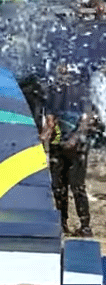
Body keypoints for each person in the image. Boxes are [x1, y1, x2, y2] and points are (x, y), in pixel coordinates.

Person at [43, 64, 94, 236]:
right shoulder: (54, 88)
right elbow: (49, 113)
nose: (62, 71)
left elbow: (87, 118)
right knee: (58, 186)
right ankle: (61, 223)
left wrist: (75, 137)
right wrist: (48, 131)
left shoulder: (83, 89)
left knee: (77, 185)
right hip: (58, 140)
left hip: (78, 143)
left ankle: (85, 225)